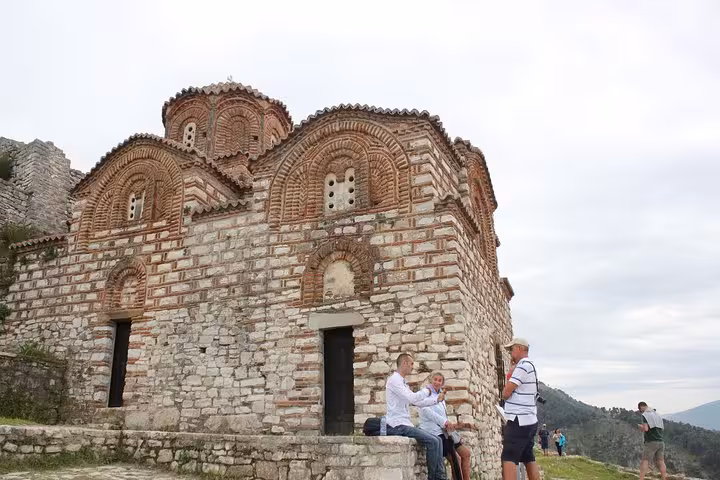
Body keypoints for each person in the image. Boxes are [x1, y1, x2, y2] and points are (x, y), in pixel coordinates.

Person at [386, 353, 447, 480]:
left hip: (405, 424)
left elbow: (416, 402)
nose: (412, 367)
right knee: (434, 441)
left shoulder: (402, 381)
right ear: (404, 363)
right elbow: (412, 398)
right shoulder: (394, 380)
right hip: (398, 425)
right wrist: (428, 390)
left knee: (439, 440)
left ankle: (440, 477)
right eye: (411, 364)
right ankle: (434, 478)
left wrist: (436, 401)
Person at [419, 371, 472, 480]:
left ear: (442, 383)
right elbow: (427, 412)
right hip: (434, 432)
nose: (437, 382)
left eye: (440, 380)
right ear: (431, 380)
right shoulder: (425, 394)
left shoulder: (440, 396)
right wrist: (445, 422)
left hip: (445, 431)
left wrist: (453, 431)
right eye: (435, 379)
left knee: (466, 454)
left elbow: (443, 416)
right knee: (455, 459)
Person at [501, 338, 540, 480]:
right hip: (529, 419)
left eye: (511, 350)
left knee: (508, 456)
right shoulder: (530, 365)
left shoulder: (523, 366)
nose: (510, 353)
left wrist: (511, 372)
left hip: (519, 420)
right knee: (528, 456)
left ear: (518, 348)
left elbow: (506, 392)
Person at [637, 401, 667, 480]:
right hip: (661, 441)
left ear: (641, 407)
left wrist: (641, 427)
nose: (641, 412)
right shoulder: (657, 415)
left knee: (645, 460)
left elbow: (646, 429)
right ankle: (664, 478)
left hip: (651, 442)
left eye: (640, 410)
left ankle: (641, 479)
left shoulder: (645, 415)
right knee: (661, 461)